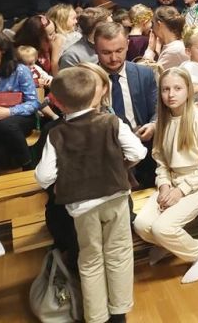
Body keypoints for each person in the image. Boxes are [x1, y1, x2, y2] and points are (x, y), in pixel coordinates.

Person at [35, 67, 146, 323]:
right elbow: (138, 153)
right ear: (95, 93)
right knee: (119, 254)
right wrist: (120, 167)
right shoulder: (112, 122)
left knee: (90, 260)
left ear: (57, 102)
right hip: (116, 199)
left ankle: (97, 317)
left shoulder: (56, 134)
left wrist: (65, 180)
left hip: (81, 207)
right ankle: (119, 313)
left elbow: (44, 177)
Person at [133, 68, 198, 284]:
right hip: (171, 183)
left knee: (163, 228)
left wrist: (181, 190)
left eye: (177, 88)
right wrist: (164, 185)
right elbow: (160, 160)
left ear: (188, 90)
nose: (171, 94)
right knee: (141, 224)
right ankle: (168, 245)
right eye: (165, 89)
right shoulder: (163, 120)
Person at [94, 22, 158, 187]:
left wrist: (153, 125)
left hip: (143, 145)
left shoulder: (144, 73)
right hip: (103, 151)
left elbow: (157, 109)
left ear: (128, 45)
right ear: (95, 49)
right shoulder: (87, 78)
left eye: (119, 51)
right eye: (106, 52)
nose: (114, 58)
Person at [0, 32, 40, 175]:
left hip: (19, 115)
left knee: (7, 125)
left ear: (2, 49)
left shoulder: (20, 70)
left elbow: (33, 103)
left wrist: (9, 112)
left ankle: (27, 165)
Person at [145, 6, 188, 70]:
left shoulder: (174, 50)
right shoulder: (174, 46)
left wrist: (150, 50)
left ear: (159, 24)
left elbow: (149, 73)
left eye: (153, 24)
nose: (152, 29)